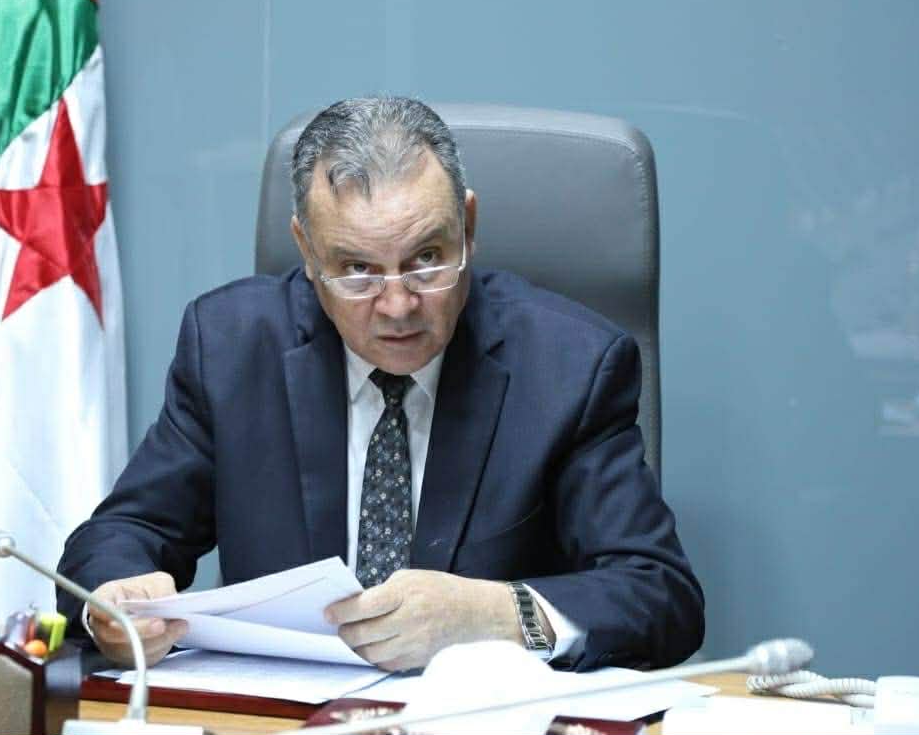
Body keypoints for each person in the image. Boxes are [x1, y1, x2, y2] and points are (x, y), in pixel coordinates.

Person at [57, 96, 704, 672]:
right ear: (306, 250)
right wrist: (116, 598)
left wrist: (495, 613)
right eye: (357, 270)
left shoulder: (570, 367)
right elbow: (121, 535)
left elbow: (659, 595)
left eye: (427, 259)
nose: (397, 306)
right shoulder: (231, 348)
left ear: (469, 226)